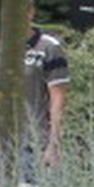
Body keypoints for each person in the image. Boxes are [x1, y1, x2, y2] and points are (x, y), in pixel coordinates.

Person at [24, 19, 69, 178]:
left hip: (33, 141)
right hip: (1, 138)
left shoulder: (49, 48)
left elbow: (58, 98)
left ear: (30, 13)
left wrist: (54, 144)